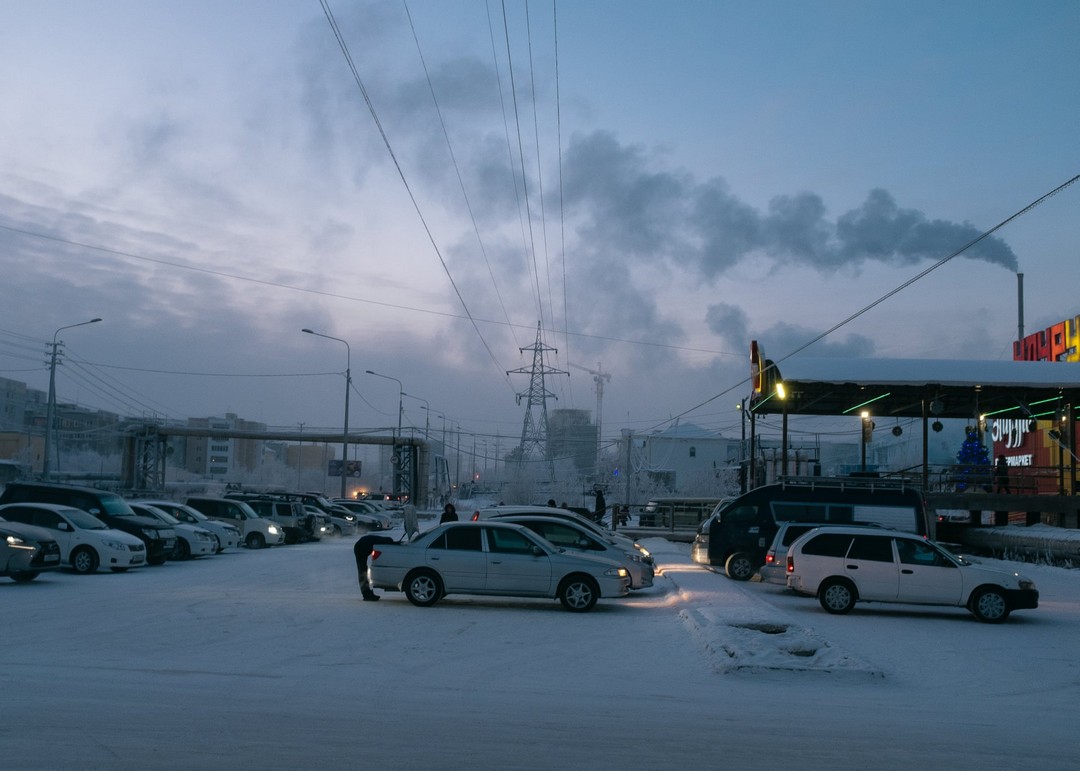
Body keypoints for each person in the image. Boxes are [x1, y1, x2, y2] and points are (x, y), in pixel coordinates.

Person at [354, 533, 394, 601]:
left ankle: (367, 593)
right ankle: (366, 594)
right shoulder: (381, 544)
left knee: (363, 570)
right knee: (362, 572)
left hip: (362, 544)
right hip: (360, 548)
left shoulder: (382, 540)